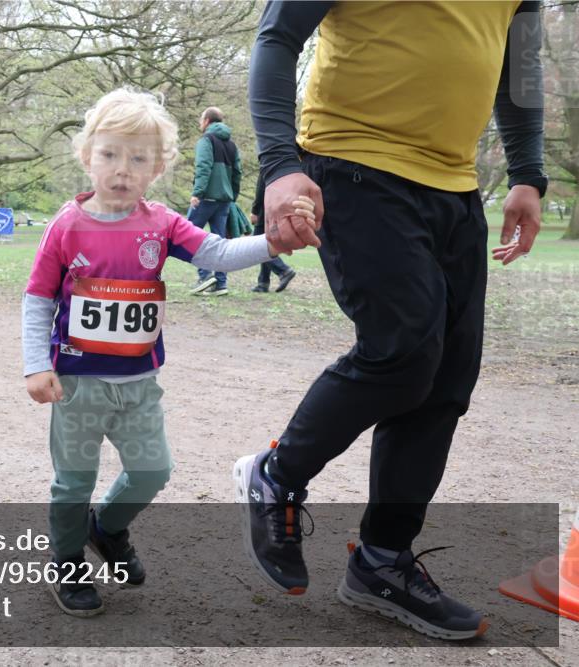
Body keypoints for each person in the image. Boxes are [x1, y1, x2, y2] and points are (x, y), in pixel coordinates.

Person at [234, 1, 546, 641]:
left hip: (456, 188)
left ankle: (382, 560)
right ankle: (277, 476)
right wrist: (278, 163)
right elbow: (278, 35)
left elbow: (522, 72)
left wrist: (528, 173)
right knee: (403, 351)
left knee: (446, 381)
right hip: (354, 164)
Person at [22, 88, 317, 617]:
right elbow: (38, 297)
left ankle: (106, 529)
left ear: (156, 168)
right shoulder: (66, 226)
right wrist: (36, 365)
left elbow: (220, 254)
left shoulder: (160, 223)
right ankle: (67, 561)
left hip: (138, 383)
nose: (121, 169)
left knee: (153, 470)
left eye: (138, 159)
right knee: (74, 480)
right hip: (77, 382)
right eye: (109, 154)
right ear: (87, 155)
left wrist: (272, 243)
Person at [187, 107, 243, 297]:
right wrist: (232, 196)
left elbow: (203, 166)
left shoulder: (206, 140)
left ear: (207, 121)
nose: (199, 123)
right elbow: (237, 174)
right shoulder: (232, 145)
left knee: (187, 235)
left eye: (201, 119)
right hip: (224, 201)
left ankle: (205, 277)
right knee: (220, 241)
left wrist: (197, 192)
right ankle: (221, 284)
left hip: (206, 198)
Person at [249, 177, 296, 293]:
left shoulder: (267, 163)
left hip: (264, 211)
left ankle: (283, 270)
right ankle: (263, 283)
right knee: (266, 244)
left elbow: (261, 190)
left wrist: (255, 211)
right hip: (278, 209)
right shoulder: (285, 171)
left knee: (257, 247)